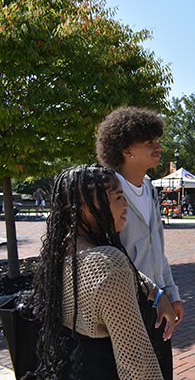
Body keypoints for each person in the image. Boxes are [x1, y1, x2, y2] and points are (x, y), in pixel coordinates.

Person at [29, 164, 175, 379]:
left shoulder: (63, 248)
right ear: (89, 207)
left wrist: (158, 293)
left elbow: (119, 280)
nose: (125, 206)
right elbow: (137, 364)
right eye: (117, 198)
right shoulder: (107, 263)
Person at [96, 107, 183, 380]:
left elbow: (158, 249)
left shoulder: (150, 188)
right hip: (126, 309)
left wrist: (172, 292)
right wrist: (156, 295)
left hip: (158, 306)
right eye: (150, 143)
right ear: (126, 150)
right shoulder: (107, 192)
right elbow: (108, 259)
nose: (158, 147)